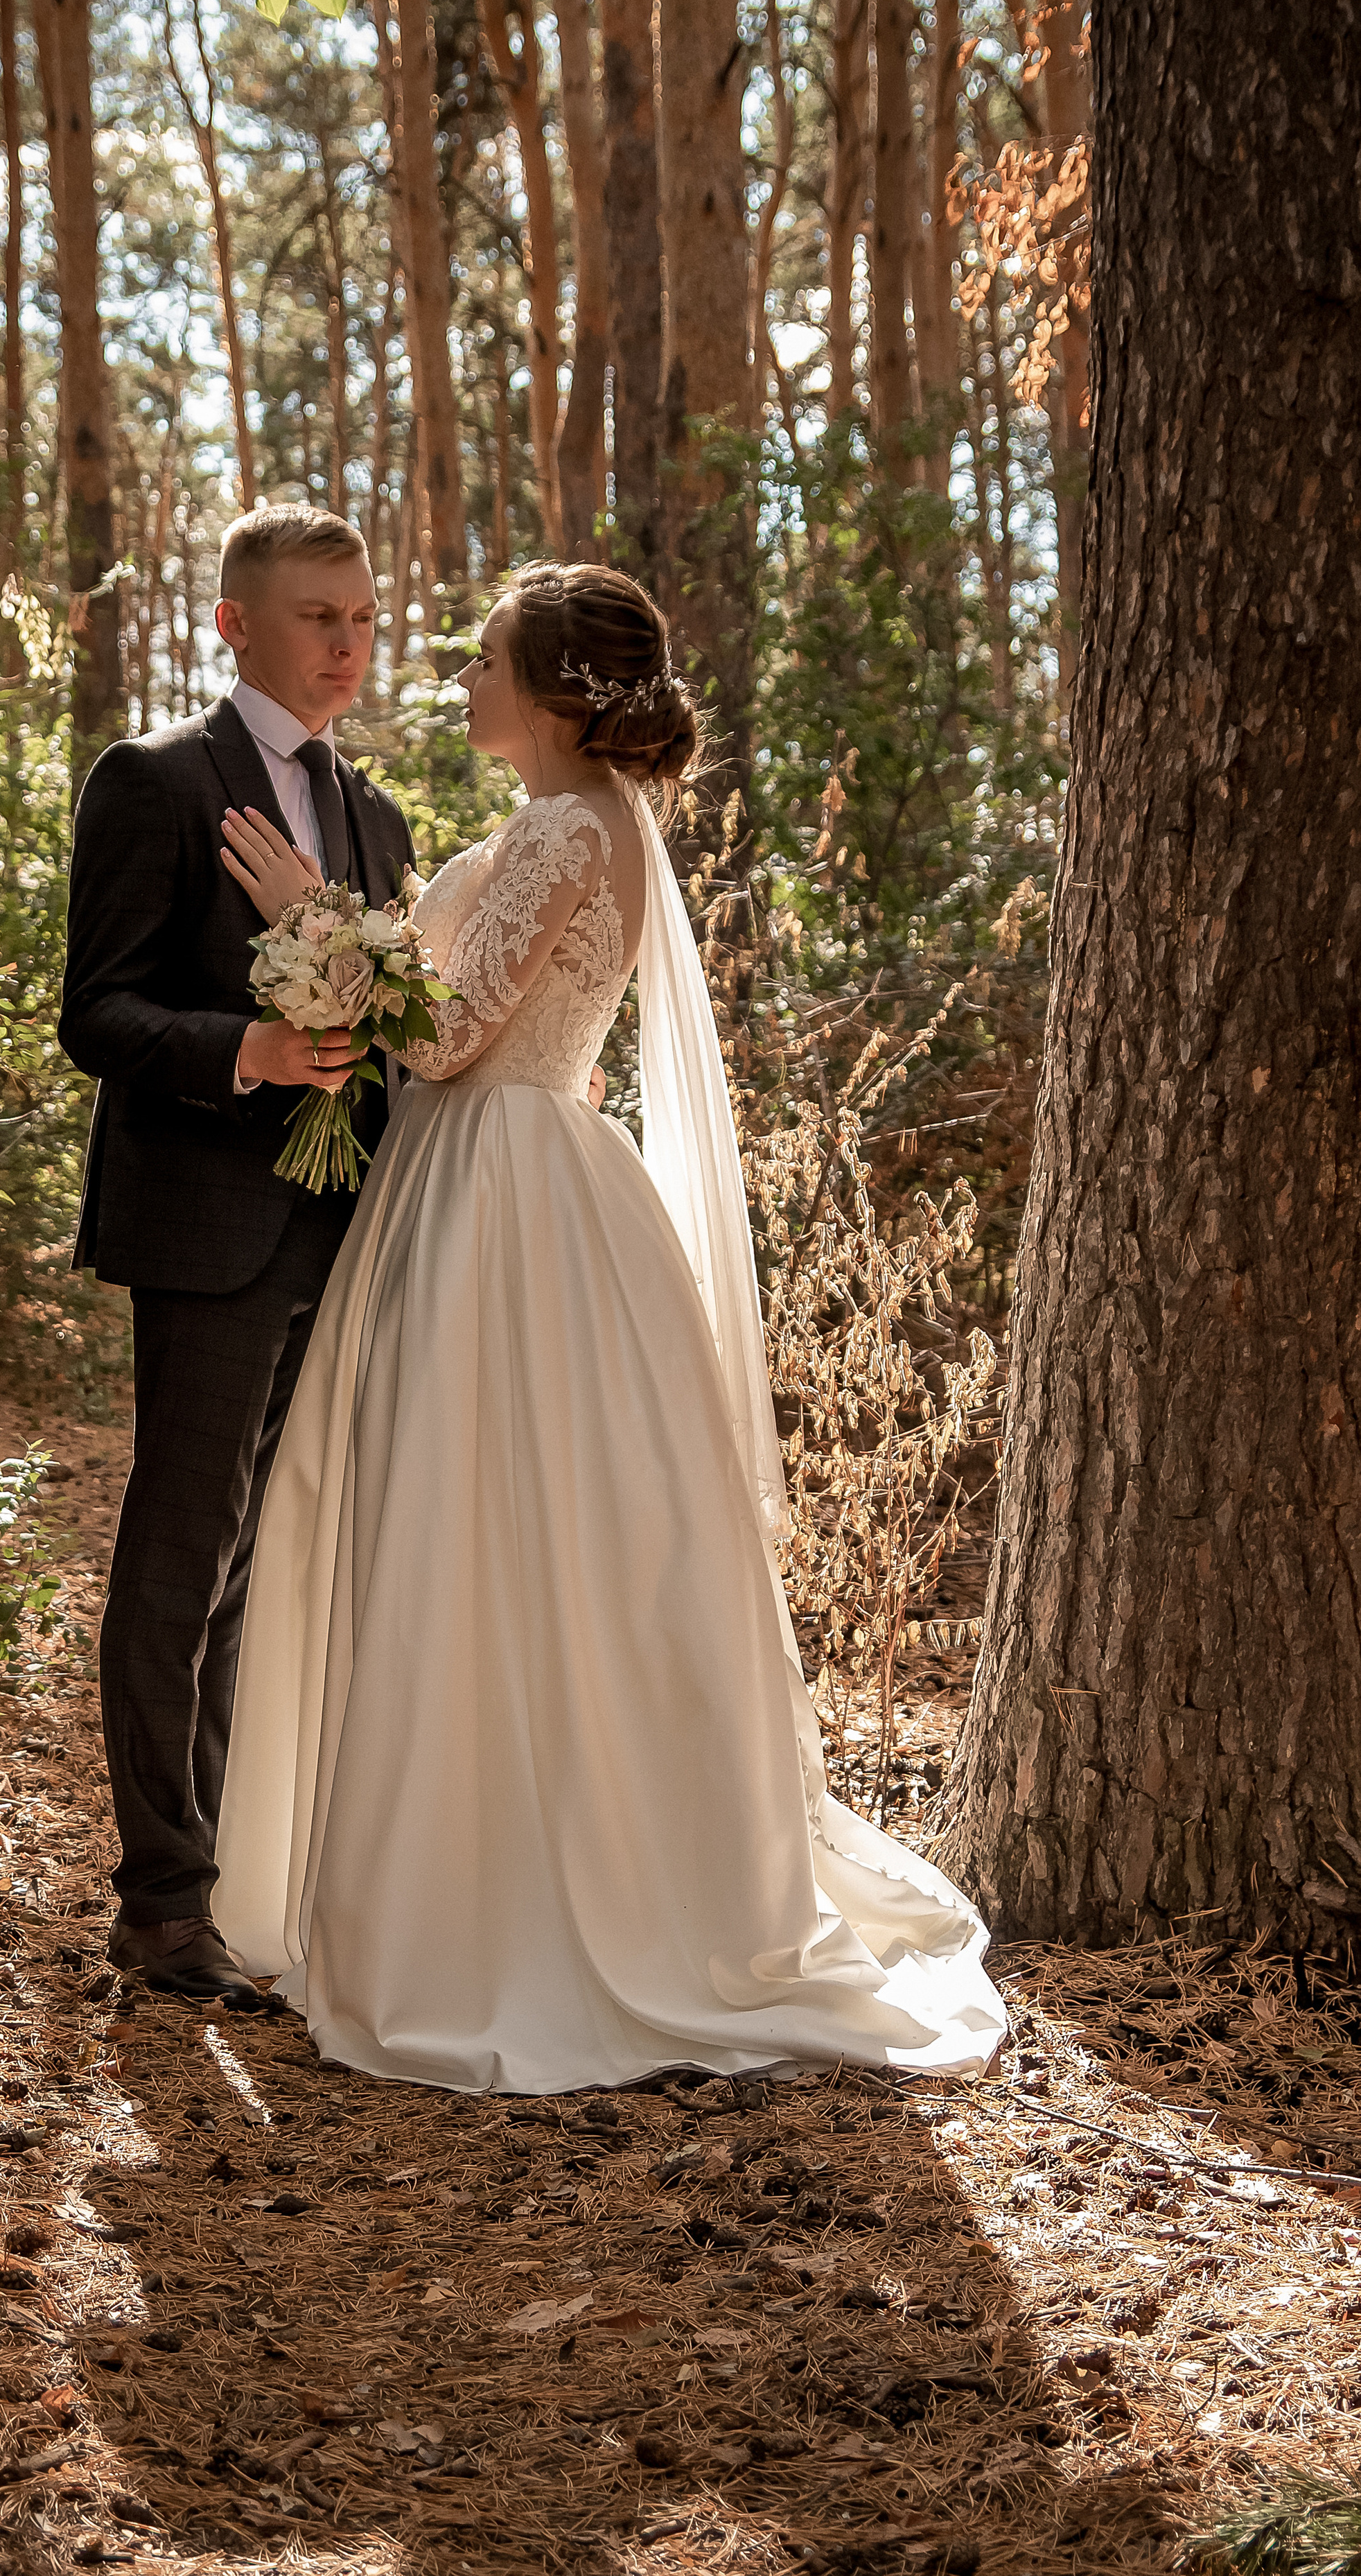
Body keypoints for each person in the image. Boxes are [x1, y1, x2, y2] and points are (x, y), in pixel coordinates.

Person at [208, 562, 1006, 2094]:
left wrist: (314, 925)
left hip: (503, 1194)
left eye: (484, 658)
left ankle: (493, 1907)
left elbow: (452, 1036)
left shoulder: (575, 829)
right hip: (500, 1175)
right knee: (503, 1527)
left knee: (483, 1521)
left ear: (557, 693)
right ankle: (464, 1865)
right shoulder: (570, 825)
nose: (459, 677)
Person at [58, 502, 414, 2009]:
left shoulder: (377, 816)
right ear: (235, 625)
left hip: (350, 1228)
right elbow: (96, 1012)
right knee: (183, 1552)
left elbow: (402, 1026)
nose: (347, 643)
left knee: (266, 1563)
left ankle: (233, 1874)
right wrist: (247, 1050)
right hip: (208, 1227)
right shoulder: (155, 781)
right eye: (318, 616)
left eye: (361, 616)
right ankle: (159, 1903)